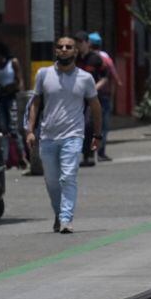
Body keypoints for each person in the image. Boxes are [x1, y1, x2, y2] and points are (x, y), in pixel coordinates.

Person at [26, 36, 102, 233]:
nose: (64, 49)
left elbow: (95, 107)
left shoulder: (85, 78)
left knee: (67, 177)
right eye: (60, 47)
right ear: (56, 50)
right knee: (51, 181)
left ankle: (66, 218)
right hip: (48, 137)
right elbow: (35, 103)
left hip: (73, 135)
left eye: (69, 47)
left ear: (76, 52)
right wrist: (30, 130)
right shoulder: (43, 74)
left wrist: (97, 134)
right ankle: (59, 214)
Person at [73, 31, 107, 167]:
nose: (79, 46)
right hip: (77, 98)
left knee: (88, 125)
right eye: (77, 43)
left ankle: (89, 155)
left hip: (92, 99)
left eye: (81, 43)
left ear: (87, 43)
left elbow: (105, 77)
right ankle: (79, 154)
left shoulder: (96, 59)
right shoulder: (74, 59)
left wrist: (95, 88)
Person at [88, 32, 121, 162]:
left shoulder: (86, 58)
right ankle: (100, 152)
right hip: (103, 96)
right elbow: (113, 75)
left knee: (89, 123)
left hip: (89, 97)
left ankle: (89, 152)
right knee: (104, 125)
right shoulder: (105, 57)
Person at [0, 42, 24, 165]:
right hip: (1, 98)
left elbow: (20, 80)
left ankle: (22, 156)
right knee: (3, 129)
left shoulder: (13, 62)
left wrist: (20, 94)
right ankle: (5, 159)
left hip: (12, 97)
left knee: (14, 129)